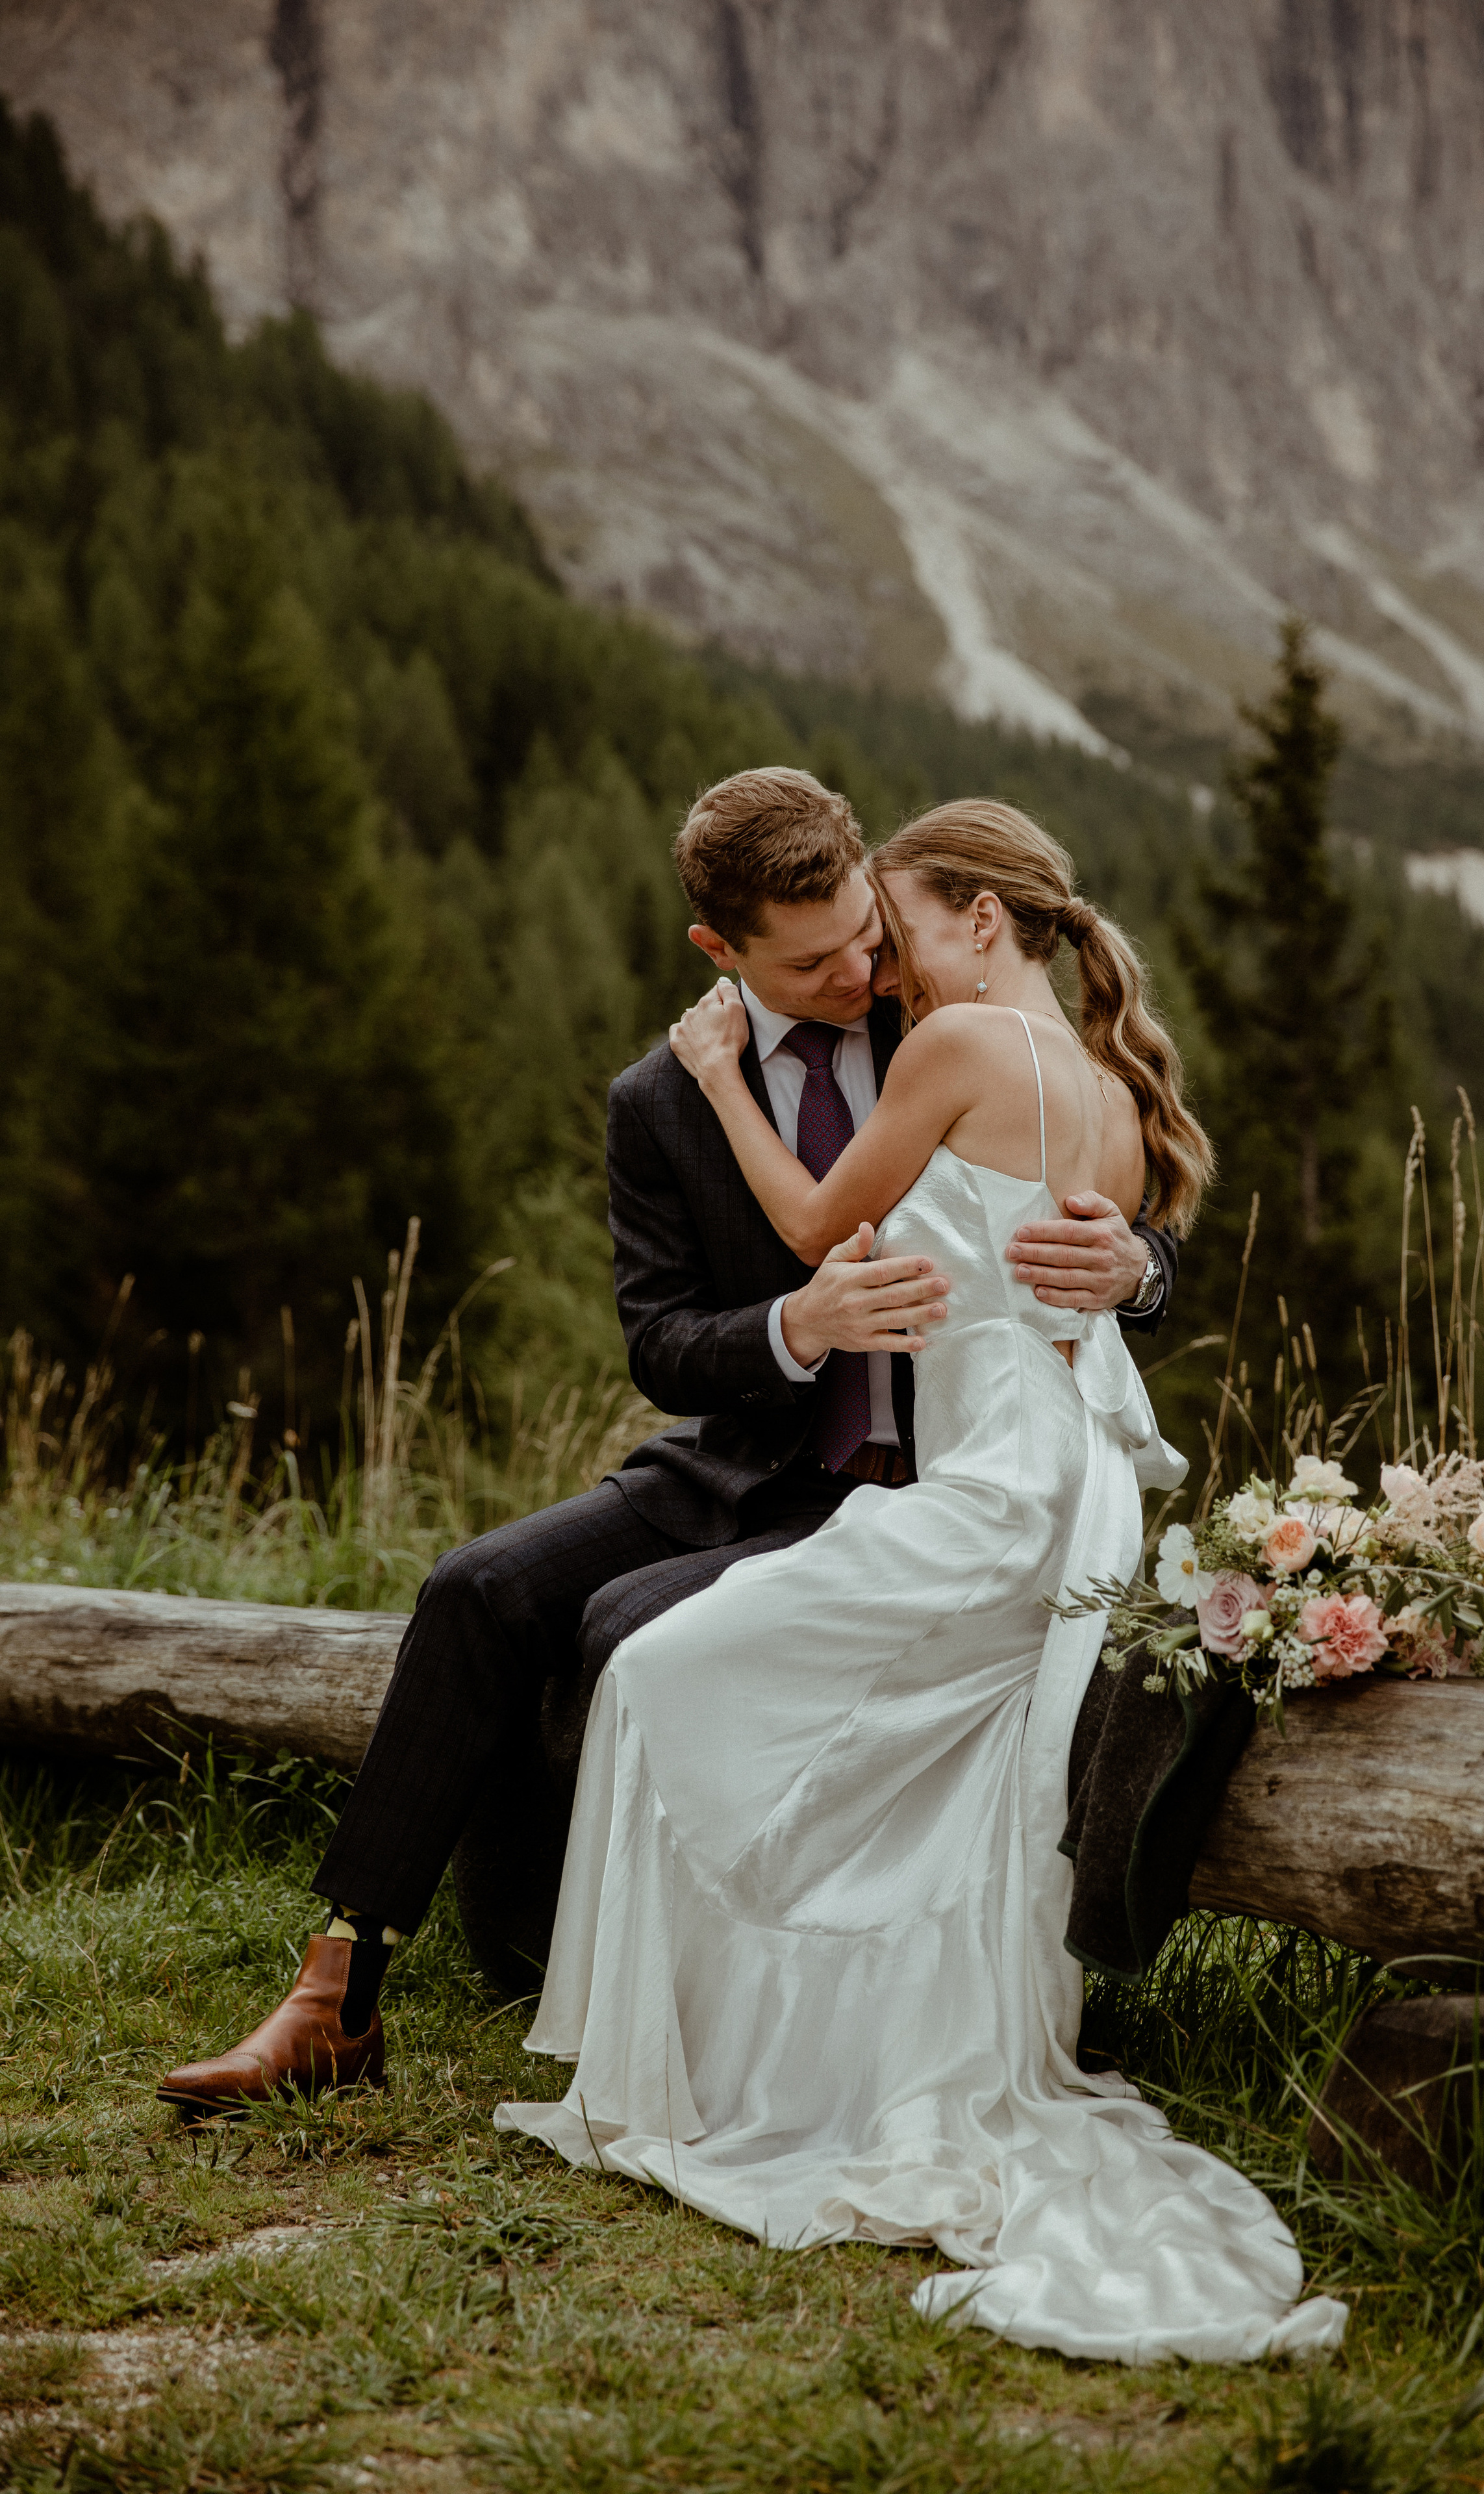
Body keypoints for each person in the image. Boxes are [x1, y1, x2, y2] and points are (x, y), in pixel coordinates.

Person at [157, 770, 1173, 2117]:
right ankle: (331, 1994)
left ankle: (541, 1953)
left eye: (866, 934)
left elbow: (1084, 1210)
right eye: (811, 961)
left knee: (625, 1633)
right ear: (721, 949)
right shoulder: (663, 1098)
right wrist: (795, 1329)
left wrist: (1136, 1273)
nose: (857, 971)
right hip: (751, 1462)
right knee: (478, 1589)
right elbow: (659, 1343)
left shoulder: (945, 1015)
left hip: (927, 1488)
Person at [494, 798, 1348, 2364]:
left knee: (663, 1675)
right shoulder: (1094, 1079)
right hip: (1058, 1487)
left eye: (892, 924)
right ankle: (820, 2053)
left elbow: (821, 1224)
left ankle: (709, 2067)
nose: (877, 959)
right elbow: (1089, 1248)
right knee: (930, 1782)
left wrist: (710, 1083)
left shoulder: (958, 1049)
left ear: (980, 918)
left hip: (992, 1490)